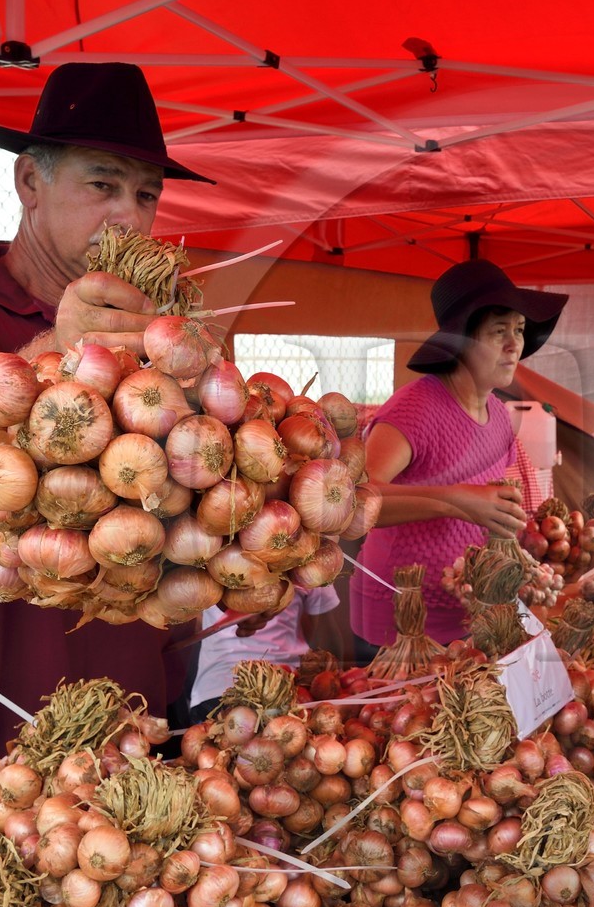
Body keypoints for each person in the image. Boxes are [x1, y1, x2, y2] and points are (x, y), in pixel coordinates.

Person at [0, 63, 215, 785]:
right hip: (12, 708)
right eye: (102, 184)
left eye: (146, 194)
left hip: (141, 701)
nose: (130, 214)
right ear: (31, 182)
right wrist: (57, 351)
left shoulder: (154, 332)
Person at [350, 259, 566, 658]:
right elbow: (354, 499)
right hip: (401, 624)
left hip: (469, 615)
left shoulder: (500, 415)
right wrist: (457, 499)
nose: (514, 343)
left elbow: (485, 509)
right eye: (498, 331)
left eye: (518, 330)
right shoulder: (415, 408)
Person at [188, 589, 342, 723]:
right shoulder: (309, 559)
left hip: (218, 689)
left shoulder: (206, 560)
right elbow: (327, 639)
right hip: (291, 689)